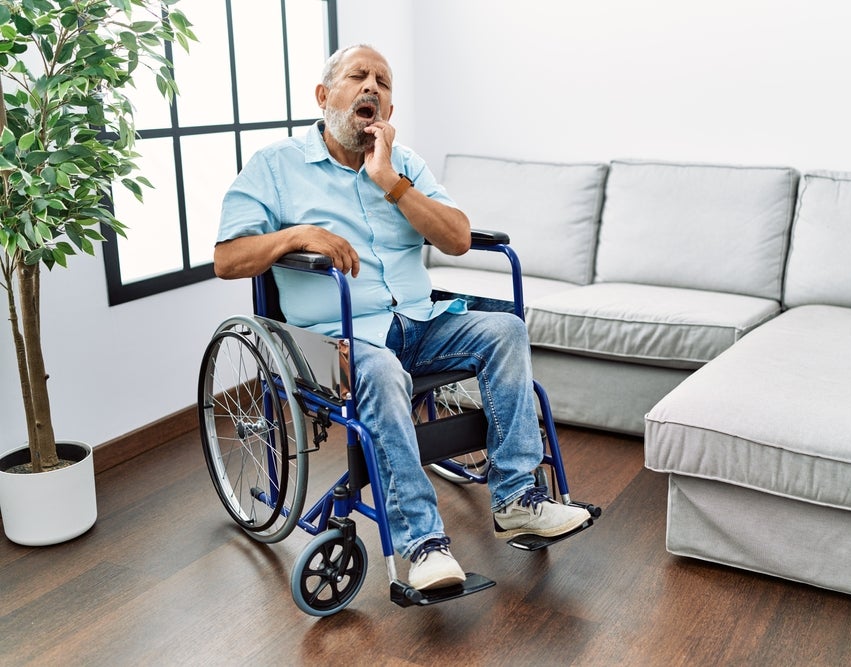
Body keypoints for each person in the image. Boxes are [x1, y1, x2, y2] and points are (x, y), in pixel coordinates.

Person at [215, 44, 591, 591]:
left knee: (505, 329)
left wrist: (390, 180)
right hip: (337, 341)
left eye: (383, 83)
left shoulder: (405, 164)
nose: (372, 88)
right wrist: (299, 235)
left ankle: (517, 499)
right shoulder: (277, 167)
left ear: (388, 110)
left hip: (419, 323)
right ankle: (422, 545)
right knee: (385, 373)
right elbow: (228, 259)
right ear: (324, 97)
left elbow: (458, 238)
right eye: (358, 77)